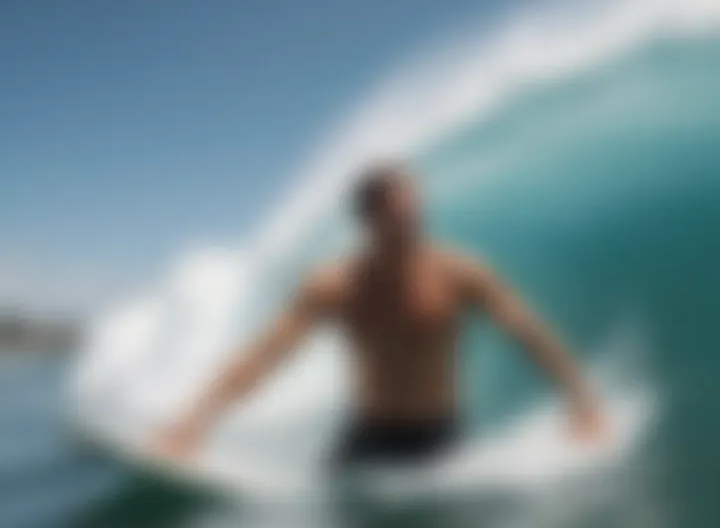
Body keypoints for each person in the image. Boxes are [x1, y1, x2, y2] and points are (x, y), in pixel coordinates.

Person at [153, 164, 605, 465]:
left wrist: (582, 402)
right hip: (368, 437)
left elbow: (528, 333)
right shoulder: (334, 287)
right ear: (369, 223)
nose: (412, 225)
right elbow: (263, 356)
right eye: (399, 218)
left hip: (440, 440)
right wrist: (196, 422)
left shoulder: (462, 274)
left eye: (416, 213)